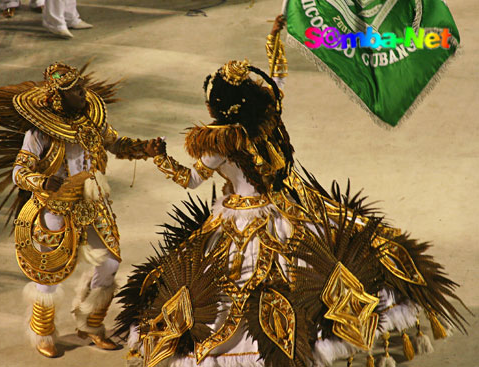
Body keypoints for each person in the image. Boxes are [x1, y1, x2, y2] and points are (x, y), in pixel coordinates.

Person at [114, 16, 467, 367]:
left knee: (239, 283)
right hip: (287, 207)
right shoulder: (269, 113)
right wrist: (274, 38)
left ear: (218, 108)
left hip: (239, 220)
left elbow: (189, 181)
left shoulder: (217, 143)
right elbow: (278, 77)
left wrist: (159, 157)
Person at [0, 62, 164, 358]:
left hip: (92, 203)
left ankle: (91, 326)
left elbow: (117, 143)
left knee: (110, 264)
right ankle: (43, 332)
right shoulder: (39, 133)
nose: (84, 93)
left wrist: (146, 148)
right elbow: (19, 171)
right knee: (47, 276)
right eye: (77, 91)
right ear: (59, 99)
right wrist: (42, 180)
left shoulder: (92, 119)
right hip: (54, 208)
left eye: (81, 87)